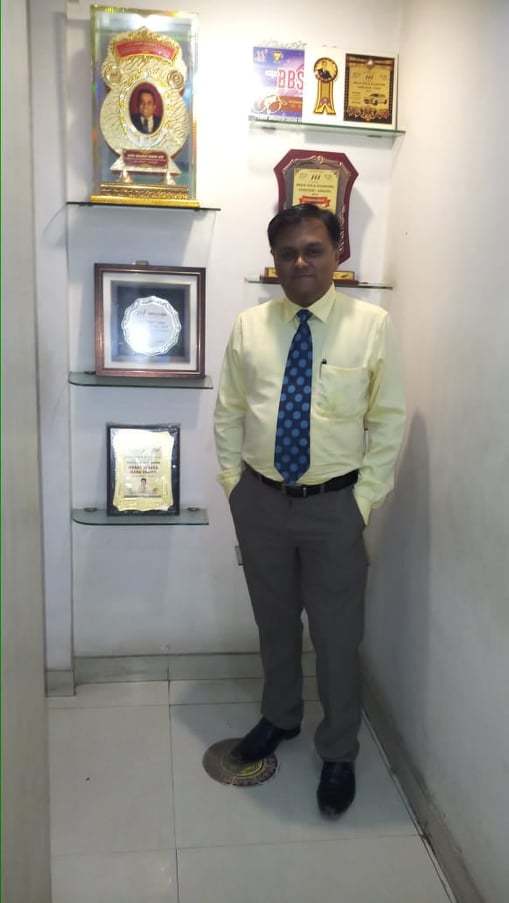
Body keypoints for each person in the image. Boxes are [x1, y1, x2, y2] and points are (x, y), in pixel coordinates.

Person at [214, 203, 406, 818]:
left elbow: (388, 420)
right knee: (274, 623)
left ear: (337, 254)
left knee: (337, 635)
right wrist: (233, 486)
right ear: (274, 261)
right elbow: (228, 410)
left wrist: (363, 502)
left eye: (313, 249)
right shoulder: (249, 326)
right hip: (261, 502)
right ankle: (280, 716)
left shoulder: (370, 325)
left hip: (334, 509)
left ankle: (339, 750)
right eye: (287, 252)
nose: (300, 261)